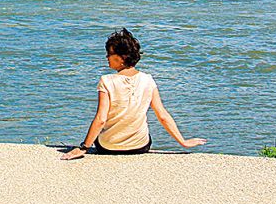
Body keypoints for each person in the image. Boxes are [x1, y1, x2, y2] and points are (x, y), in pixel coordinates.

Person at [61, 29, 206, 159]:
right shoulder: (148, 80)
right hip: (140, 146)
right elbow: (162, 115)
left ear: (121, 58)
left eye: (109, 54)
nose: (106, 57)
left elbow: (101, 119)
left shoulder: (106, 81)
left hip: (108, 147)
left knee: (103, 136)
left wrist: (84, 147)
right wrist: (183, 142)